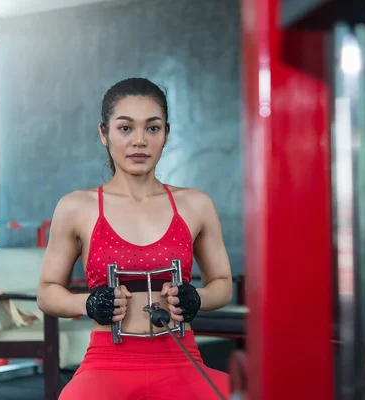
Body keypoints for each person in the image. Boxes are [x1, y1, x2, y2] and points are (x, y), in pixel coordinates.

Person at [36, 77, 233, 399]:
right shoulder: (76, 206)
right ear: (104, 133)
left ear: (166, 134)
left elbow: (222, 283)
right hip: (107, 362)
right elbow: (47, 292)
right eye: (125, 128)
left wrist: (197, 297)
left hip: (181, 358)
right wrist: (86, 303)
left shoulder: (196, 204)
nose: (139, 141)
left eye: (152, 128)